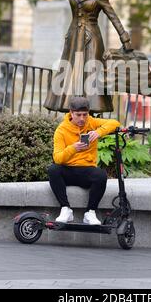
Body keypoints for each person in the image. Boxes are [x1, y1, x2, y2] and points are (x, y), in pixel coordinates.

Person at [19, 0, 132, 113]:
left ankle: (91, 111)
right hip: (73, 38)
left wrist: (124, 38)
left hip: (91, 39)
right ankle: (72, 110)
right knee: (71, 73)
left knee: (90, 74)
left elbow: (113, 16)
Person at [47, 96, 120, 225]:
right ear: (71, 113)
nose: (82, 119)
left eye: (85, 115)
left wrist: (99, 132)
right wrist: (73, 148)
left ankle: (90, 212)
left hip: (87, 170)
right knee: (53, 169)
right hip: (68, 171)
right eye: (78, 115)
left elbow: (115, 123)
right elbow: (57, 158)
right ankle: (65, 209)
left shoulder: (91, 122)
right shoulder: (61, 130)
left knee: (101, 175)